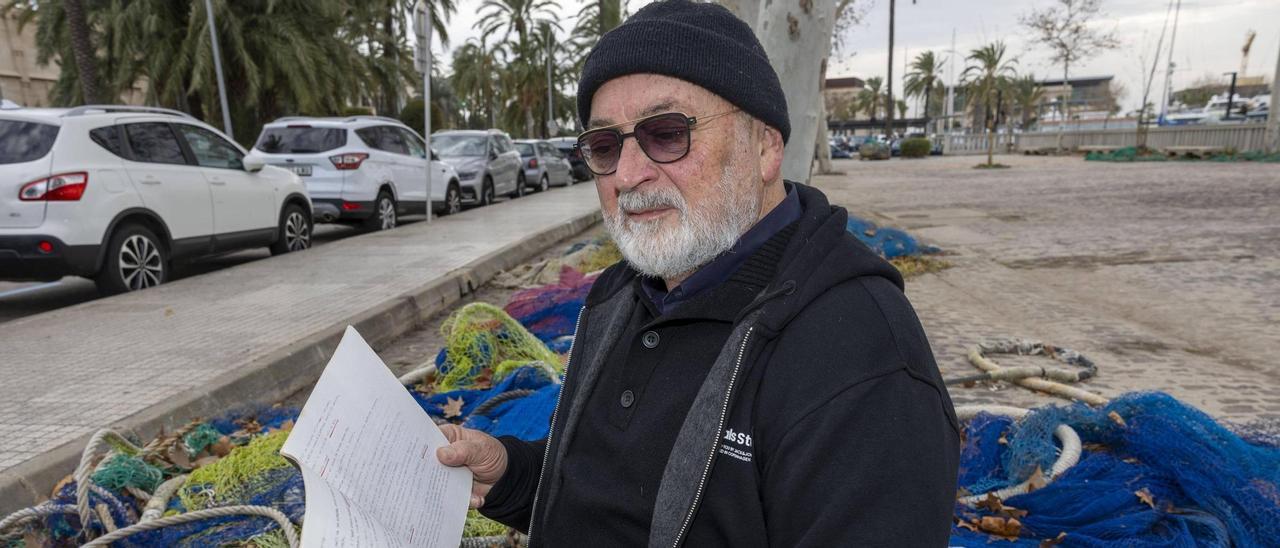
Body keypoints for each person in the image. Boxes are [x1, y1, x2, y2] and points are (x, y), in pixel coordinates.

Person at [437, 1, 959, 545]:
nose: (630, 175)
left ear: (765, 147)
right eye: (605, 145)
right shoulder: (618, 295)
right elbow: (610, 489)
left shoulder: (862, 361)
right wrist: (510, 475)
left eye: (667, 133)